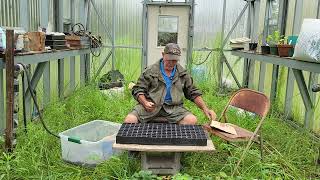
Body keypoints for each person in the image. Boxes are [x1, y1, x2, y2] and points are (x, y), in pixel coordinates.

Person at [124, 43, 216, 125]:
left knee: (191, 120)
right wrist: (145, 103)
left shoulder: (182, 74)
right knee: (130, 120)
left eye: (174, 60)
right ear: (163, 55)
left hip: (173, 108)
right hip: (151, 107)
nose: (171, 63)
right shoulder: (150, 71)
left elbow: (193, 92)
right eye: (169, 60)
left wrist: (205, 109)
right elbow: (138, 89)